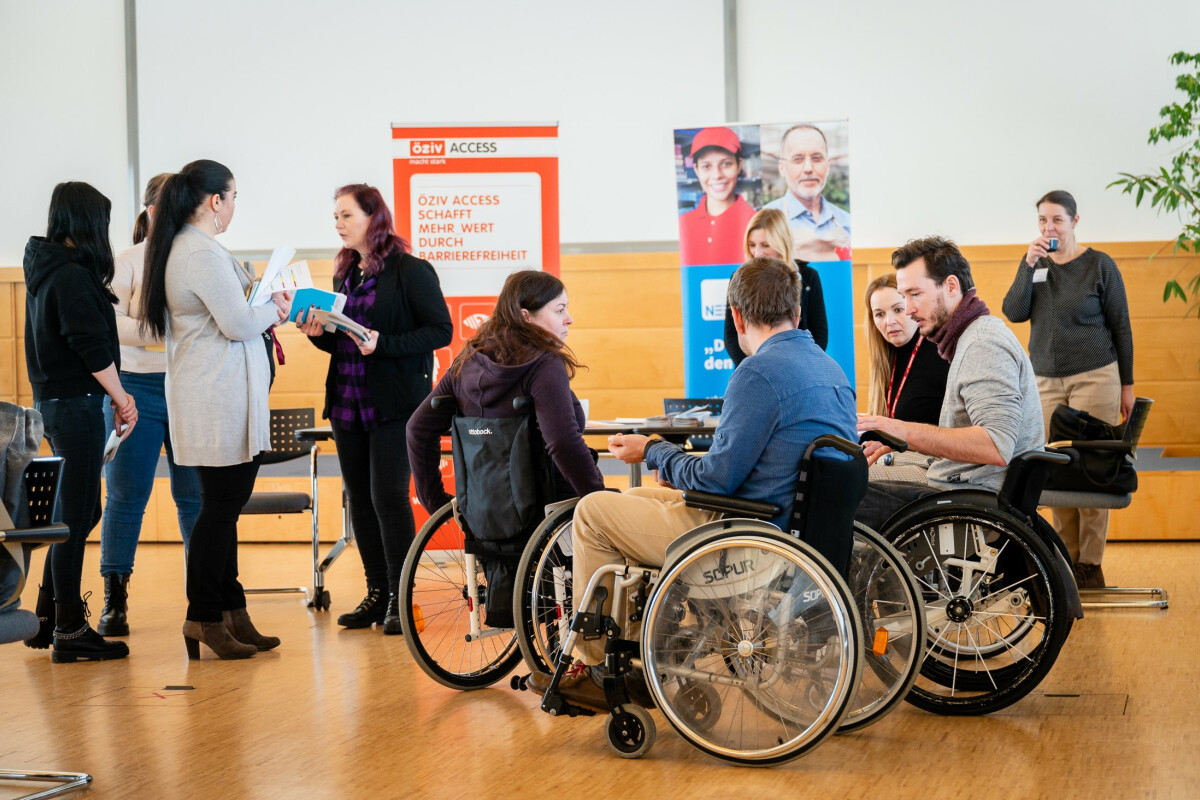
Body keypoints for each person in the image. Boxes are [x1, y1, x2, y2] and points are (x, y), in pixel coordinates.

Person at [528, 256, 858, 710]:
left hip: (744, 535)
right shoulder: (832, 371)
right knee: (639, 494)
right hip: (792, 529)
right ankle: (647, 639)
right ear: (797, 313)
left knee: (593, 512)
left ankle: (601, 666)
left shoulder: (759, 373)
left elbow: (716, 478)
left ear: (737, 316)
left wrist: (654, 450)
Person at [141, 159, 290, 660]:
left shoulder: (196, 247)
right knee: (220, 510)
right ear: (215, 201)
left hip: (218, 395)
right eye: (233, 196)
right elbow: (237, 322)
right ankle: (203, 615)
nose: (233, 207)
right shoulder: (198, 251)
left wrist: (259, 299)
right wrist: (279, 309)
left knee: (222, 509)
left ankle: (231, 610)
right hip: (214, 398)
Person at [298, 184, 452, 635]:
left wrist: (384, 344)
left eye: (346, 215)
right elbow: (340, 340)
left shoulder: (411, 270)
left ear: (373, 218)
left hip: (394, 403)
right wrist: (316, 332)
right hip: (347, 400)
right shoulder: (346, 272)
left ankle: (402, 601)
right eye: (336, 217)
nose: (339, 224)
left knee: (388, 497)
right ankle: (377, 592)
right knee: (360, 500)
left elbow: (439, 330)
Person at [22, 181, 139, 662]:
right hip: (75, 402)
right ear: (88, 222)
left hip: (64, 402)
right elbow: (89, 347)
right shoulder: (68, 274)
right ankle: (68, 628)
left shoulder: (51, 267)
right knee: (75, 516)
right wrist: (122, 396)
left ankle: (48, 615)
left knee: (81, 512)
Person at [855, 236, 1044, 533]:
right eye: (904, 297)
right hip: (955, 485)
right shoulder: (970, 339)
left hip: (965, 496)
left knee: (839, 485)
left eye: (915, 294)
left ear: (952, 286)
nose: (909, 308)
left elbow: (995, 445)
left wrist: (900, 429)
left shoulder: (982, 344)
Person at [1002, 191, 1134, 589]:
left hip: (1096, 377)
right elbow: (1013, 311)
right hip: (1045, 380)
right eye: (1042, 220)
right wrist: (1027, 266)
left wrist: (1127, 384)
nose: (1049, 228)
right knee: (1056, 471)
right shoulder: (1037, 266)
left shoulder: (1099, 265)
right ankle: (1066, 560)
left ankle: (1090, 564)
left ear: (1075, 221)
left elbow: (1121, 326)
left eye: (1057, 220)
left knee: (1092, 470)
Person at [96, 174, 202, 637]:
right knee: (126, 497)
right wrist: (162, 333)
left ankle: (203, 599)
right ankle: (114, 599)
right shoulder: (129, 260)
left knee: (195, 499)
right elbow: (108, 321)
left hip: (190, 388)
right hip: (134, 388)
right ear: (155, 211)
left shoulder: (197, 259)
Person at [723, 208, 829, 359]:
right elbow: (731, 336)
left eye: (765, 245)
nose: (757, 252)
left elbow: (819, 334)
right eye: (752, 244)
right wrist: (754, 367)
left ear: (782, 243)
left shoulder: (808, 277)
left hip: (798, 371)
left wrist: (800, 366)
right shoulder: (738, 279)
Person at [764, 124, 851, 263]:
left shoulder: (847, 222)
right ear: (782, 167)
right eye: (798, 159)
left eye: (816, 158)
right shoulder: (764, 221)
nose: (808, 168)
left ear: (827, 166)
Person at [677, 127, 757, 267]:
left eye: (726, 164)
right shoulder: (683, 224)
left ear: (739, 165)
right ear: (696, 170)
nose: (717, 175)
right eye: (707, 166)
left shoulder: (756, 223)